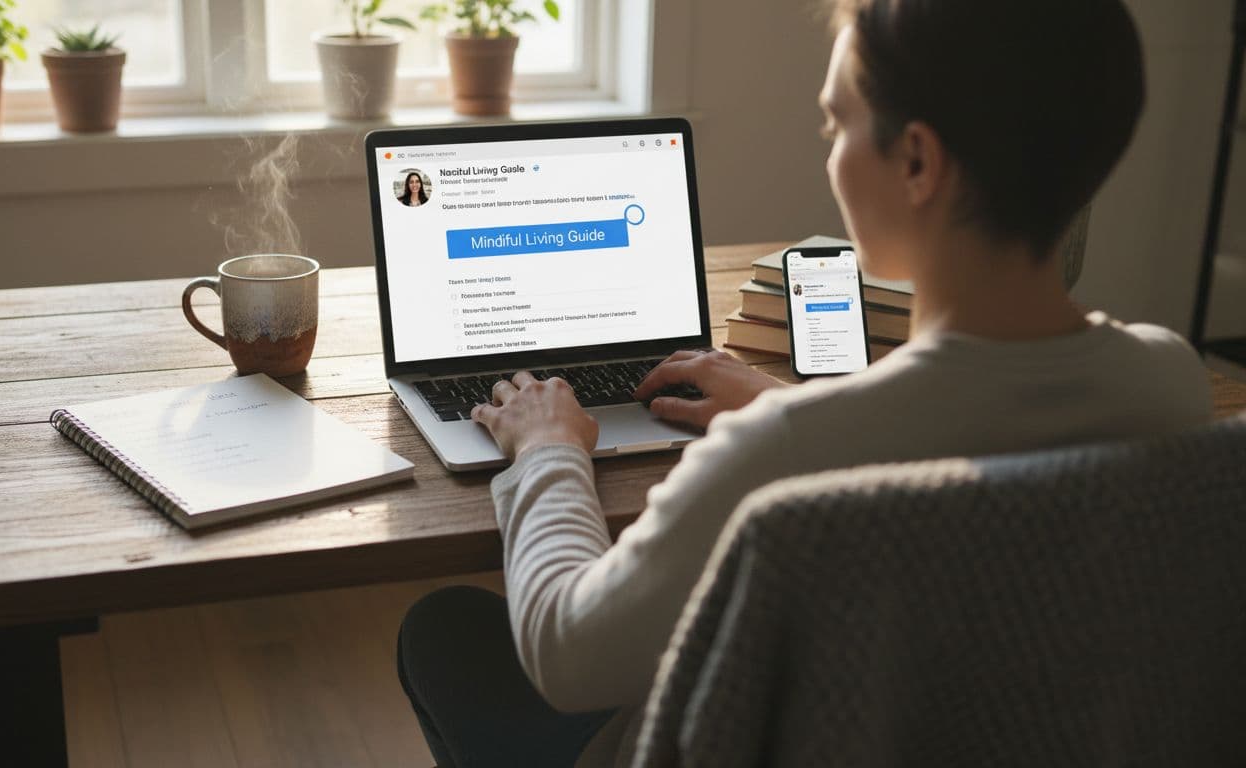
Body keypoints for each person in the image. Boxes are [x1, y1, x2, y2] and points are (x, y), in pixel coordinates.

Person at [396, 1, 1212, 766]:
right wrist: (799, 406)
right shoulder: (1170, 384)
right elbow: (966, 436)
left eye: (836, 124)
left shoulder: (776, 460)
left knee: (442, 629)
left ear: (918, 161)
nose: (830, 151)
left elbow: (569, 657)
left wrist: (544, 449)